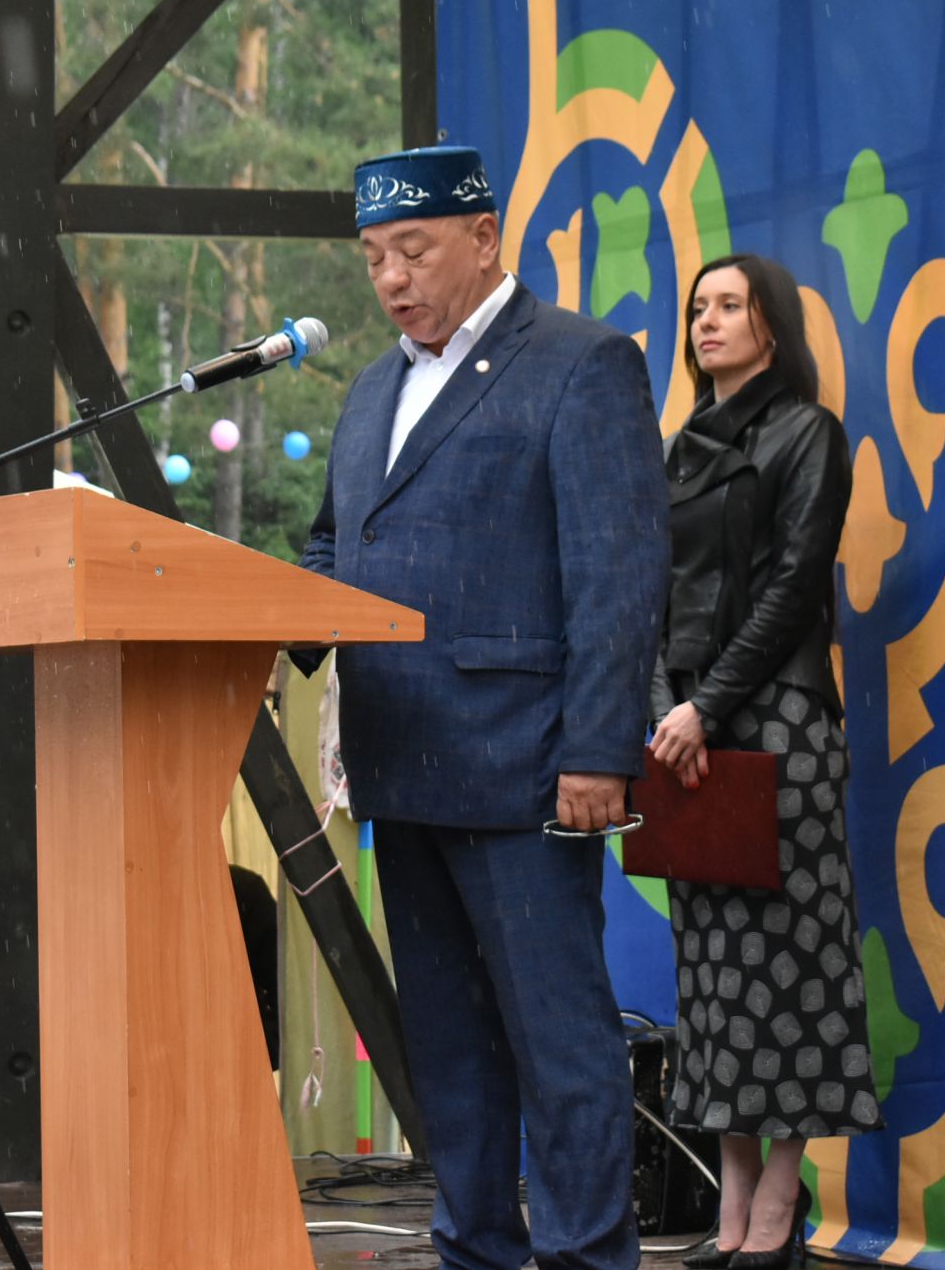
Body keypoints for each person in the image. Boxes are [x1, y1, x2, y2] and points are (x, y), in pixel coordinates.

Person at [298, 145, 669, 1270]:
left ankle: (585, 1255)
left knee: (559, 1045)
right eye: (373, 258)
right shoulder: (372, 389)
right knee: (449, 1050)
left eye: (412, 249)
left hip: (525, 768)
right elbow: (332, 540)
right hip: (401, 766)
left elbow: (619, 573)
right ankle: (473, 1250)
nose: (393, 278)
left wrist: (601, 748)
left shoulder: (579, 362)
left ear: (485, 235)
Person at [648, 254, 881, 1269]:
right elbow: (650, 589)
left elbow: (793, 588)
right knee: (713, 972)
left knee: (790, 964)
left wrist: (707, 702)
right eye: (698, 307)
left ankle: (783, 1191)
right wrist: (665, 703)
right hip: (686, 726)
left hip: (772, 718)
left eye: (729, 306)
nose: (707, 321)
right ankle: (734, 1195)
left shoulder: (807, 434)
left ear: (772, 328)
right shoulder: (677, 450)